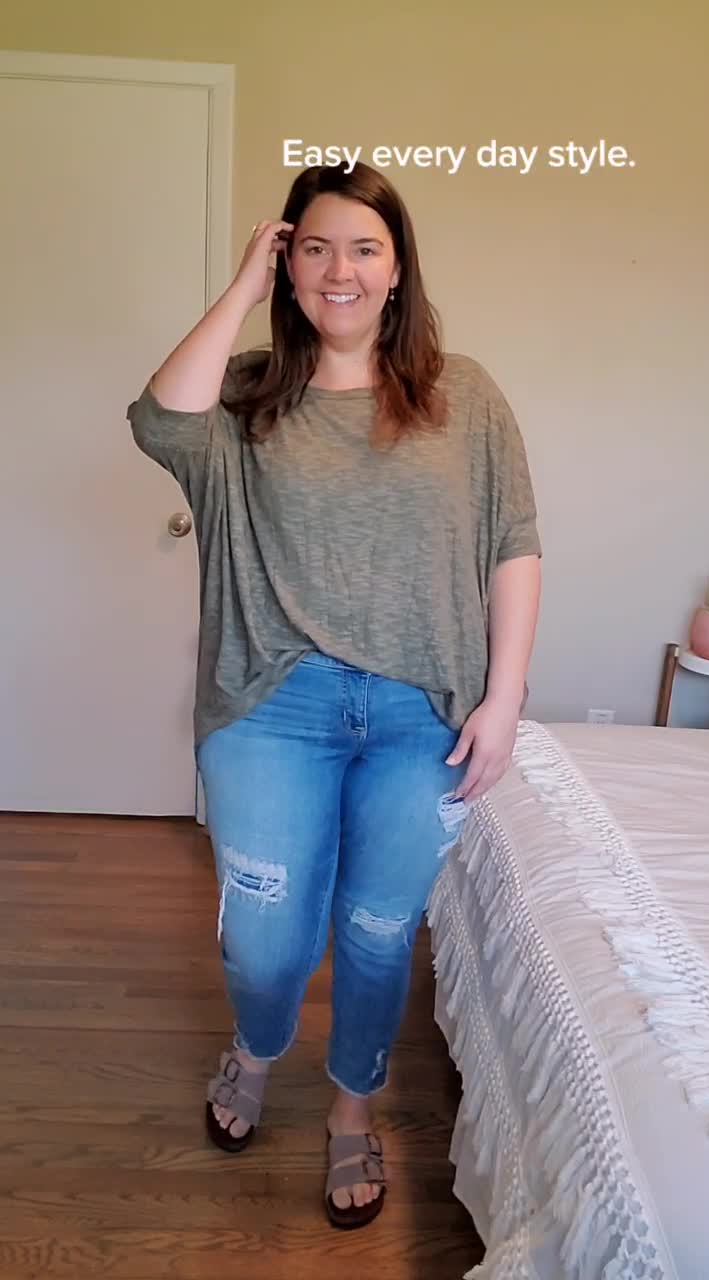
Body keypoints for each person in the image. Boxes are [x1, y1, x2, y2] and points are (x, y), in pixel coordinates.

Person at [126, 161, 542, 1230]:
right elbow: (157, 421)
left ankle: (353, 1103)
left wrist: (503, 699)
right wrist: (242, 285)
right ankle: (257, 1046)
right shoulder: (245, 396)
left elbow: (513, 545)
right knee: (267, 939)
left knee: (376, 930)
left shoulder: (464, 394)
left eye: (364, 247)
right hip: (273, 707)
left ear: (398, 269)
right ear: (287, 263)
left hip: (420, 716)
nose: (339, 269)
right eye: (313, 247)